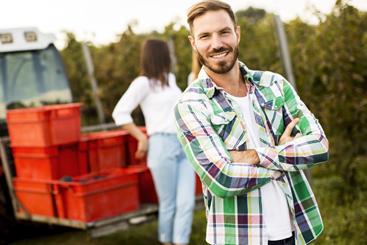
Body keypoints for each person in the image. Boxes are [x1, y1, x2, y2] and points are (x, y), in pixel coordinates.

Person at [174, 1, 329, 245]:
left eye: (224, 32)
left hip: (294, 229)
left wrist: (249, 156)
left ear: (237, 33)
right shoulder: (190, 104)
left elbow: (319, 146)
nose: (216, 44)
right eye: (205, 36)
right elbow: (221, 179)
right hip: (238, 237)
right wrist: (285, 157)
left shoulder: (274, 84)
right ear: (194, 43)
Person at [113, 39, 195, 245]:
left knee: (186, 202)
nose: (171, 57)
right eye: (167, 53)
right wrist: (141, 137)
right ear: (158, 55)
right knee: (168, 204)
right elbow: (120, 112)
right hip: (161, 145)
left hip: (182, 145)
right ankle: (167, 241)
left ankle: (180, 241)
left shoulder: (170, 79)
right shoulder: (142, 83)